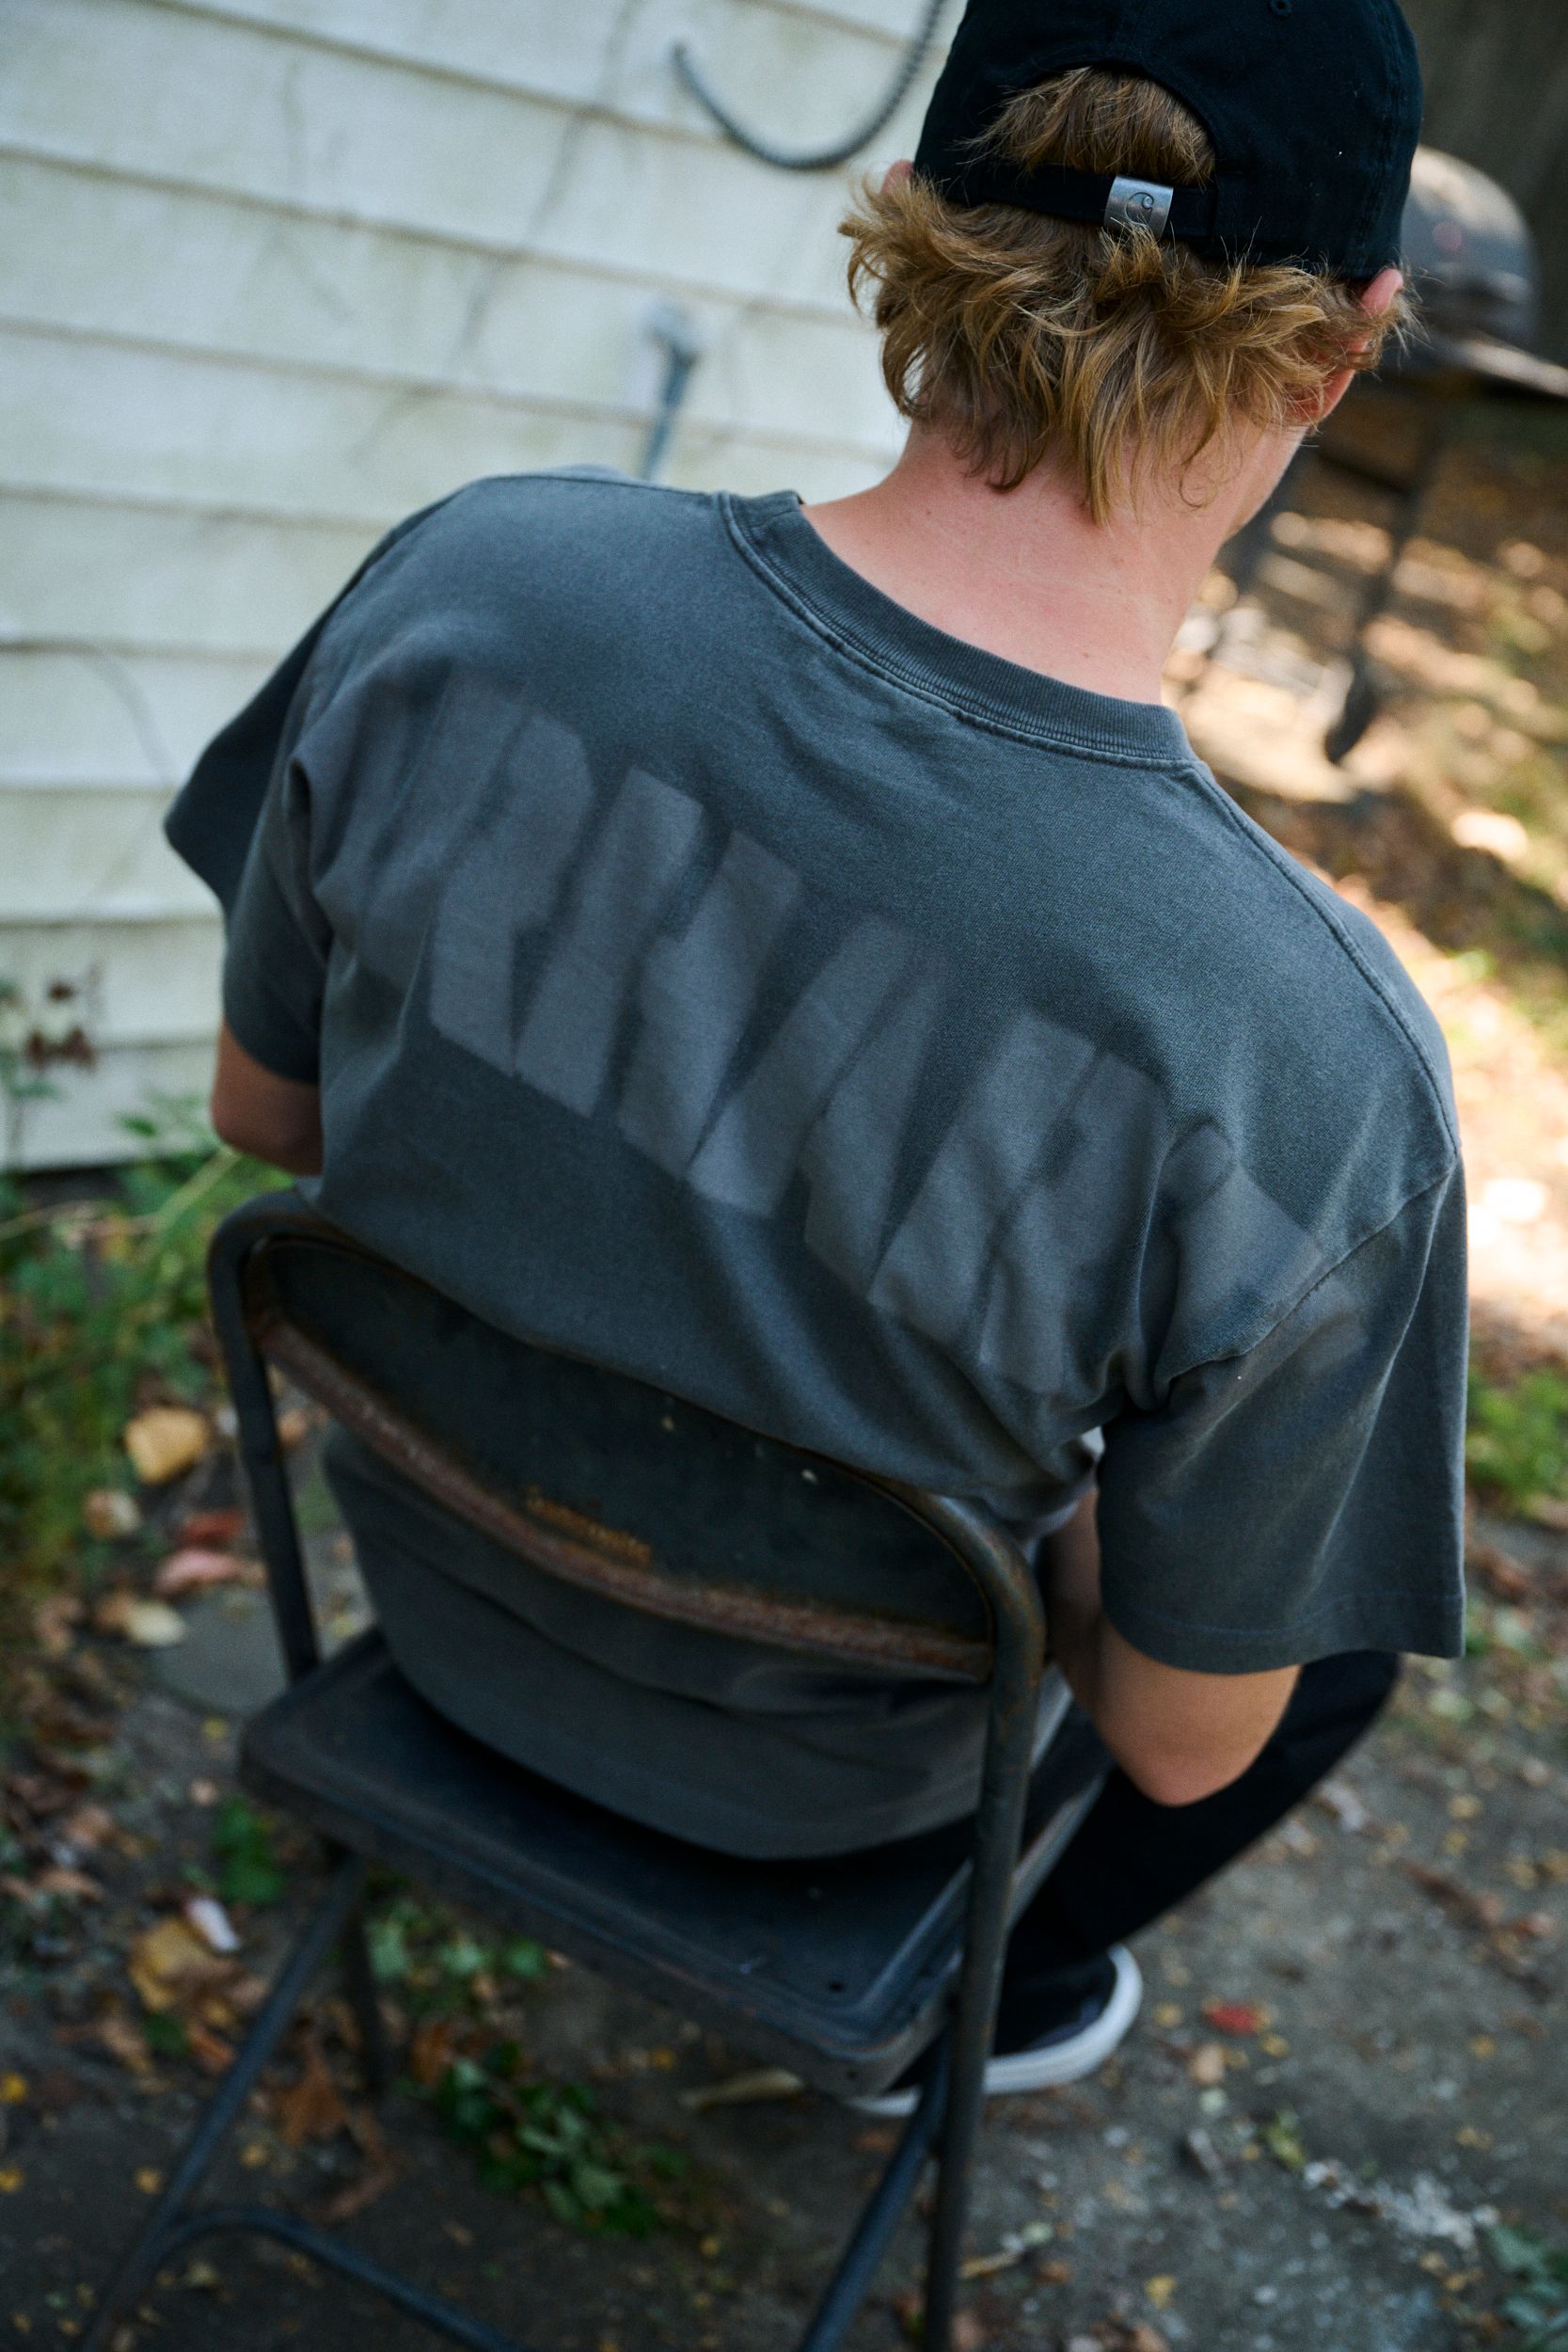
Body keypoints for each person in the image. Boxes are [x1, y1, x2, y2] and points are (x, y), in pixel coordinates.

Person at [166, 0, 1465, 2106]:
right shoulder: (1311, 1055)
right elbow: (1177, 1731)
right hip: (817, 1818)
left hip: (428, 1617)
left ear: (905, 214)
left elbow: (261, 1115)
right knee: (1323, 1615)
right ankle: (950, 2012)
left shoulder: (468, 587)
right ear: (1344, 347)